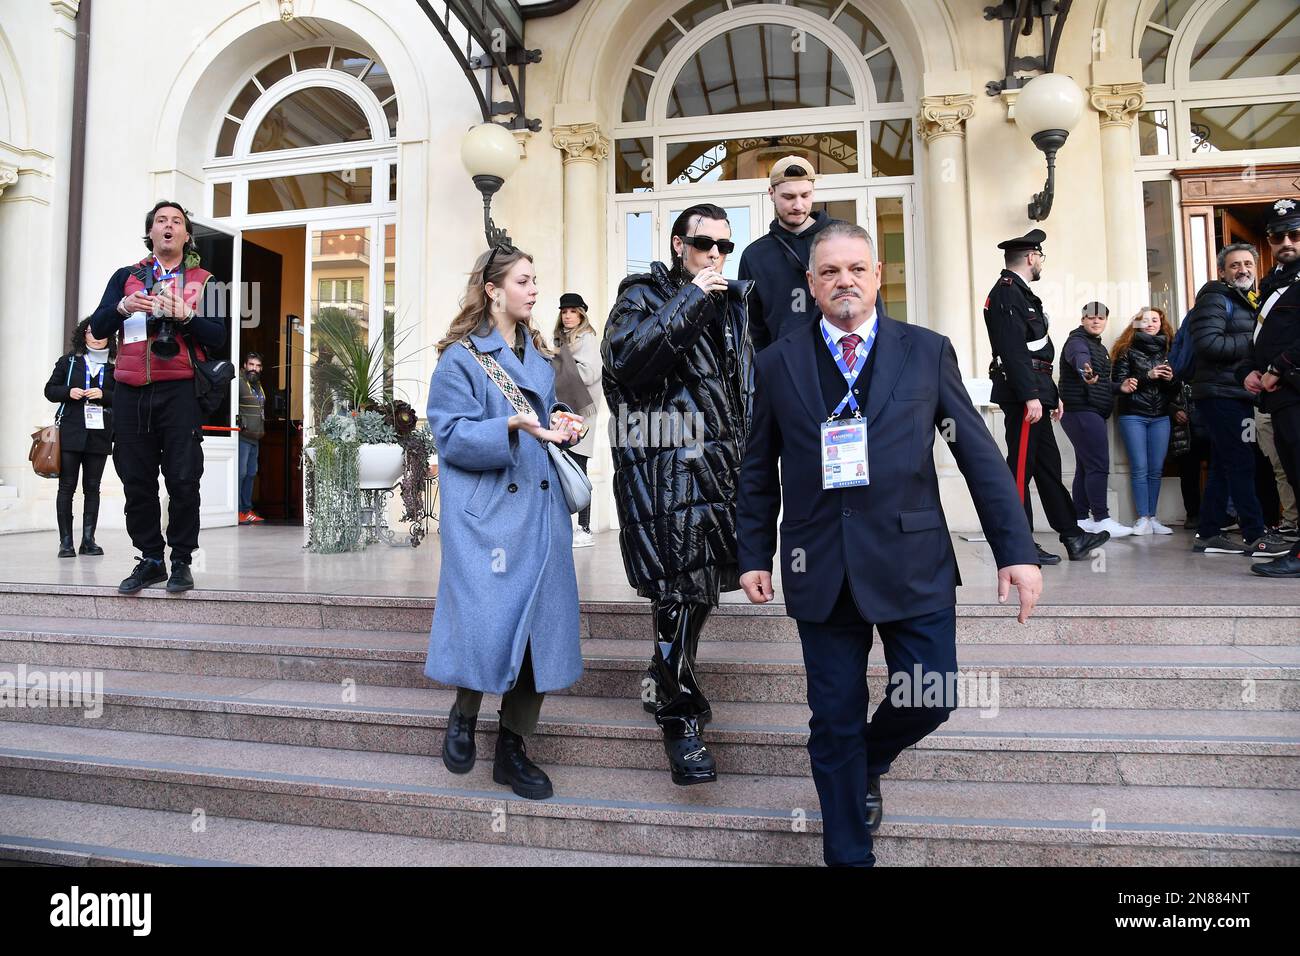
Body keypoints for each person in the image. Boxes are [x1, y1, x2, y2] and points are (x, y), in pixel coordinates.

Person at [736, 222, 1042, 867]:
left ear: (877, 276)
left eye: (855, 269)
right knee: (834, 720)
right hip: (819, 564)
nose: (843, 281)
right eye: (828, 272)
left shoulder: (926, 351)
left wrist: (1016, 549)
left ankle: (868, 762)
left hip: (912, 558)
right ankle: (848, 852)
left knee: (933, 693)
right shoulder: (777, 361)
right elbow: (759, 468)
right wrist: (753, 554)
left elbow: (978, 456)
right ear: (811, 286)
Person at [425, 244, 585, 799]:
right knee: (487, 622)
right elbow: (447, 434)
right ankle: (465, 713)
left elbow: (554, 417)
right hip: (489, 516)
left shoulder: (542, 354)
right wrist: (510, 428)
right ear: (493, 289)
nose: (534, 290)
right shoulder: (461, 358)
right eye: (524, 280)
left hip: (540, 514)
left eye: (536, 280)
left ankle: (513, 749)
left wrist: (563, 426)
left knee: (539, 634)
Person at [603, 203, 754, 786]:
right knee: (680, 590)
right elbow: (628, 363)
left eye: (724, 246)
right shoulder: (642, 292)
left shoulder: (733, 304)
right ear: (677, 245)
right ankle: (680, 716)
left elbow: (744, 383)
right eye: (704, 243)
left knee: (699, 592)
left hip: (721, 469)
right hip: (666, 470)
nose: (716, 254)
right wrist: (691, 296)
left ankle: (662, 674)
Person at [89, 201, 227, 595]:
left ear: (187, 235)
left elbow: (218, 337)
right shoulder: (125, 277)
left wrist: (186, 315)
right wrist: (122, 306)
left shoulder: (209, 280)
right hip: (131, 392)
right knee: (136, 479)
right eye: (161, 221)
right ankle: (150, 558)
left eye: (176, 222)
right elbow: (97, 327)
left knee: (184, 479)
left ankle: (181, 559)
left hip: (180, 390)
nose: (168, 227)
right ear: (150, 232)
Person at [983, 229, 1110, 564]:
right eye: (1039, 256)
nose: (1041, 262)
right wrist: (1030, 396)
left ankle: (1072, 535)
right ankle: (1019, 545)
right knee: (1020, 470)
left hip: (1037, 392)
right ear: (1030, 257)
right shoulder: (1008, 293)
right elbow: (1012, 351)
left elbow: (1035, 352)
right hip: (1025, 396)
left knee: (1048, 469)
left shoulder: (1021, 293)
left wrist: (1050, 395)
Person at [1186, 242, 1291, 558]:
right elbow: (1208, 343)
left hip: (1238, 394)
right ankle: (1254, 535)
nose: (1242, 269)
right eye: (1234, 265)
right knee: (1242, 463)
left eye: (1247, 264)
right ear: (1222, 271)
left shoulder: (1252, 299)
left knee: (1223, 464)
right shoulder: (1215, 297)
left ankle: (1208, 533)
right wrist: (1258, 343)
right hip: (1220, 394)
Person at [738, 156, 883, 350]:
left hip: (849, 356)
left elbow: (873, 302)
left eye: (805, 195)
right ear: (771, 193)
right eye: (788, 197)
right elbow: (752, 329)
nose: (798, 205)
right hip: (785, 365)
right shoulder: (755, 255)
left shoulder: (844, 237)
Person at [1244, 199, 1300, 577]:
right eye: (1278, 236)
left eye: (1294, 234)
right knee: (1294, 470)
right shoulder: (1274, 280)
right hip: (1280, 395)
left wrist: (1279, 368)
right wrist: (1253, 369)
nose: (1286, 241)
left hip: (1295, 387)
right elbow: (1269, 334)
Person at [1058, 302, 1131, 538]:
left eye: (1100, 318)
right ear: (1082, 320)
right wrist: (1085, 371)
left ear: (1105, 322)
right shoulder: (1077, 342)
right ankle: (1102, 518)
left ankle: (1080, 518)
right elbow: (1081, 360)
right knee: (1099, 464)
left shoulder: (1099, 346)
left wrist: (1120, 386)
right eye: (1090, 317)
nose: (1095, 321)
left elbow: (1099, 382)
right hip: (1081, 411)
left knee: (1086, 466)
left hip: (1088, 411)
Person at [44, 318, 116, 558]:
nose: (95, 335)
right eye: (90, 331)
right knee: (66, 487)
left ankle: (88, 540)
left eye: (100, 331)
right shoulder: (70, 362)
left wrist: (105, 395)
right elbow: (49, 390)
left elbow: (125, 399)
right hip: (71, 431)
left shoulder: (115, 366)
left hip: (100, 433)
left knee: (93, 487)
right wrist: (68, 392)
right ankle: (66, 543)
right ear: (83, 335)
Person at [1111, 306, 1179, 534]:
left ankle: (1153, 516)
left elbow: (1176, 390)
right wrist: (1146, 376)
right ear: (1137, 324)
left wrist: (1171, 380)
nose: (1151, 323)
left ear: (1162, 324)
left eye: (1155, 320)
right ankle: (1142, 518)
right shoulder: (1126, 350)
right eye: (1145, 320)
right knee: (1139, 468)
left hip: (1161, 416)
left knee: (1156, 469)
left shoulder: (1170, 350)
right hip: (1134, 415)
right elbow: (1119, 384)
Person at [549, 292, 601, 547]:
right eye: (564, 311)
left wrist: (557, 359)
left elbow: (590, 374)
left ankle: (585, 527)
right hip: (564, 411)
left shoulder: (587, 338)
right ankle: (566, 526)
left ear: (581, 313)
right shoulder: (560, 340)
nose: (568, 315)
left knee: (579, 468)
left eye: (572, 311)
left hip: (582, 412)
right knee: (562, 467)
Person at [237, 352, 266, 525]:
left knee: (250, 474)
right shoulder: (239, 382)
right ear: (245, 365)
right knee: (240, 474)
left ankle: (246, 510)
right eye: (251, 364)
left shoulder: (257, 384)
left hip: (255, 436)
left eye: (257, 365)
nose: (254, 368)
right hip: (242, 435)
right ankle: (238, 510)